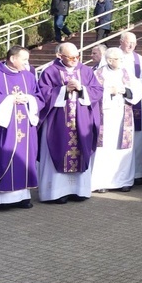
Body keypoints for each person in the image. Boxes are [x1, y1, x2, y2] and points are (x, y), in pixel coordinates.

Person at [36, 43, 102, 204]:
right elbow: (43, 93)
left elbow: (98, 91)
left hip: (81, 121)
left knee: (80, 151)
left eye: (77, 56)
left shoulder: (85, 71)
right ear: (60, 56)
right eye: (71, 57)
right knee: (57, 150)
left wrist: (82, 89)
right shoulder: (50, 72)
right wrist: (64, 90)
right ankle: (56, 193)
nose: (75, 60)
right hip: (57, 123)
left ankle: (79, 191)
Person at [0, 46, 41, 210]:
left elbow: (38, 96)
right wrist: (10, 100)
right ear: (13, 58)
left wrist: (28, 99)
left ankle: (21, 198)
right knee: (0, 157)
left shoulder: (28, 76)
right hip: (1, 127)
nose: (26, 63)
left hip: (24, 126)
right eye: (24, 60)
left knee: (23, 158)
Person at [91, 48, 142, 193]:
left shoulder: (126, 73)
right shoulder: (97, 74)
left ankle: (124, 181)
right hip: (105, 117)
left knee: (123, 149)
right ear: (109, 60)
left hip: (123, 116)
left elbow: (139, 88)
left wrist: (125, 91)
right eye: (119, 59)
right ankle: (102, 182)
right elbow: (92, 93)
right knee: (105, 150)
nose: (122, 61)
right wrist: (108, 91)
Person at [118, 32, 142, 184]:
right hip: (116, 104)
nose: (131, 45)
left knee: (136, 138)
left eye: (134, 43)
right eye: (128, 42)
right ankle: (117, 173)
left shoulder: (140, 60)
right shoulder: (113, 55)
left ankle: (138, 172)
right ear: (121, 41)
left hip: (134, 102)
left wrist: (134, 90)